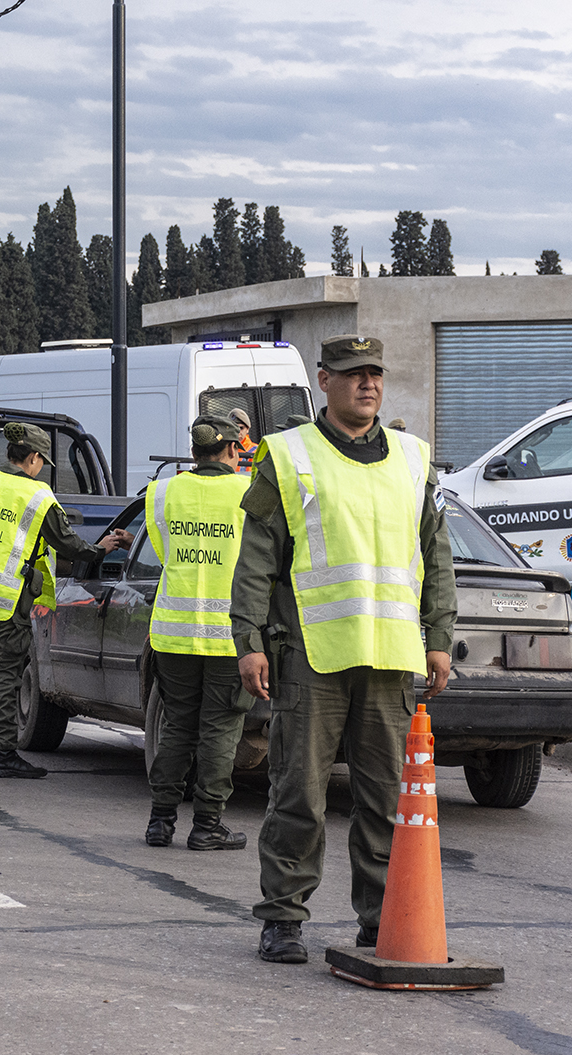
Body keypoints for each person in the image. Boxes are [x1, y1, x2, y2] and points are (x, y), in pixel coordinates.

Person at [232, 335, 454, 966]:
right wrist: (249, 643)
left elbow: (434, 556)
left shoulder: (413, 457)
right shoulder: (289, 455)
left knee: (386, 801)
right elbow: (255, 563)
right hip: (312, 655)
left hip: (390, 659)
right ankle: (282, 918)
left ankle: (380, 922)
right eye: (354, 374)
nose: (368, 384)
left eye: (376, 373)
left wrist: (437, 637)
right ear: (324, 381)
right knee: (299, 792)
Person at [0, 422, 131, 778]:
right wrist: (99, 549)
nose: (42, 467)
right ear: (32, 457)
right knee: (3, 675)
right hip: (3, 599)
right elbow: (68, 543)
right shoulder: (37, 495)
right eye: (42, 461)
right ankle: (3, 755)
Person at [142, 414, 251, 851]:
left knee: (177, 728)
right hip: (228, 638)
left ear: (193, 452)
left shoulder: (163, 491)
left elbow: (161, 547)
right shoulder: (246, 491)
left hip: (173, 635)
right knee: (220, 733)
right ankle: (207, 824)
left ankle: (160, 821)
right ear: (230, 451)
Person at [228, 407, 256, 474]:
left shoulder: (255, 450)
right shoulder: (222, 449)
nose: (238, 432)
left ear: (247, 429)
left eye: (241, 428)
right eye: (234, 428)